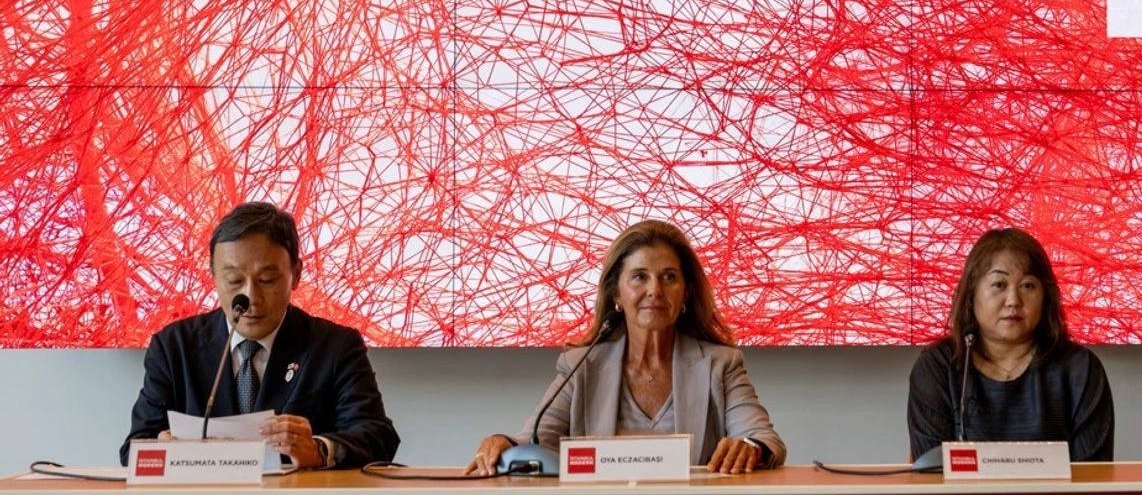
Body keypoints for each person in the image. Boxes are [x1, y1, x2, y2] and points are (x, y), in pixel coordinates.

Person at [466, 220, 786, 475]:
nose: (655, 290)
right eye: (639, 277)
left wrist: (750, 447)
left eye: (669, 277)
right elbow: (534, 440)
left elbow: (764, 439)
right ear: (617, 293)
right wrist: (502, 443)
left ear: (686, 293)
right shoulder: (581, 365)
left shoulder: (721, 363)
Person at [120, 202, 399, 468]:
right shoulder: (174, 346)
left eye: (267, 280)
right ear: (213, 275)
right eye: (234, 280)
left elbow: (378, 436)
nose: (251, 297)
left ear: (296, 275)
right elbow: (133, 449)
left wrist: (319, 450)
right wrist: (162, 449)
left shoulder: (335, 346)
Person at [907, 227, 1115, 462]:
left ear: (1046, 295)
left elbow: (1093, 474)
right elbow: (930, 471)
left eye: (1027, 285)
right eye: (999, 284)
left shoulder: (1080, 369)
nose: (1013, 300)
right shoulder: (939, 366)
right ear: (972, 294)